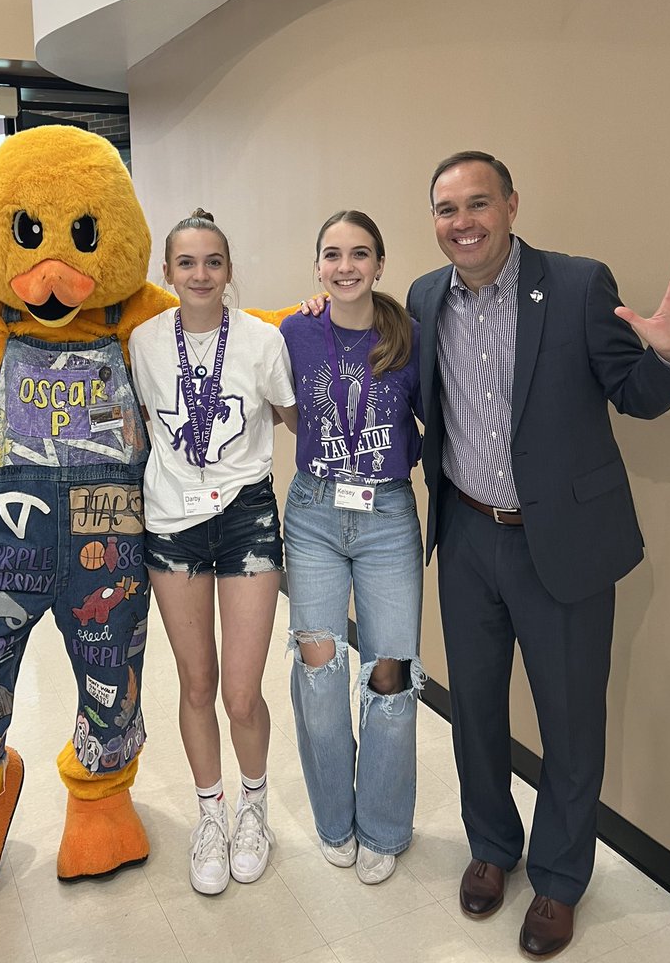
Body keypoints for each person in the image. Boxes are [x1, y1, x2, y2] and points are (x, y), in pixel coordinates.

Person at [406, 151, 670, 958]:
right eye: (446, 209)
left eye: (478, 203)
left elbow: (632, 394)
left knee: (571, 721)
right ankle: (491, 846)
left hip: (562, 543)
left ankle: (561, 878)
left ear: (511, 205)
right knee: (474, 708)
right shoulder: (426, 296)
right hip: (467, 535)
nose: (463, 222)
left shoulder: (575, 285)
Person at [128, 210, 297, 896]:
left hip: (247, 519)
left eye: (214, 262)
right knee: (196, 684)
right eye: (187, 263)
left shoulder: (261, 340)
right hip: (172, 525)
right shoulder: (143, 342)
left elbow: (296, 417)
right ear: (167, 272)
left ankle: (254, 810)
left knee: (241, 693)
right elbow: (141, 424)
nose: (201, 275)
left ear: (229, 270)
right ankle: (211, 816)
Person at [281, 211, 425, 886]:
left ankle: (385, 825)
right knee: (319, 670)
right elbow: (285, 408)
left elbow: (433, 419)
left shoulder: (408, 336)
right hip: (314, 513)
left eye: (360, 254)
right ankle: (334, 818)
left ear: (379, 263)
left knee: (389, 673)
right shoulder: (296, 331)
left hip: (387, 516)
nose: (346, 267)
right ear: (318, 266)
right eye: (333, 254)